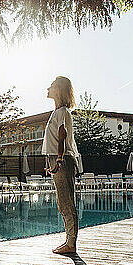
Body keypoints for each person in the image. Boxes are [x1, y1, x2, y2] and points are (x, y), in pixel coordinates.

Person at [42, 76, 80, 254]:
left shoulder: (63, 111)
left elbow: (62, 134)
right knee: (62, 202)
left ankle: (71, 243)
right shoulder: (57, 112)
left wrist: (58, 158)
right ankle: (69, 241)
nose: (48, 88)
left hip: (62, 159)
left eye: (51, 85)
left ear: (59, 89)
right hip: (57, 159)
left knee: (66, 203)